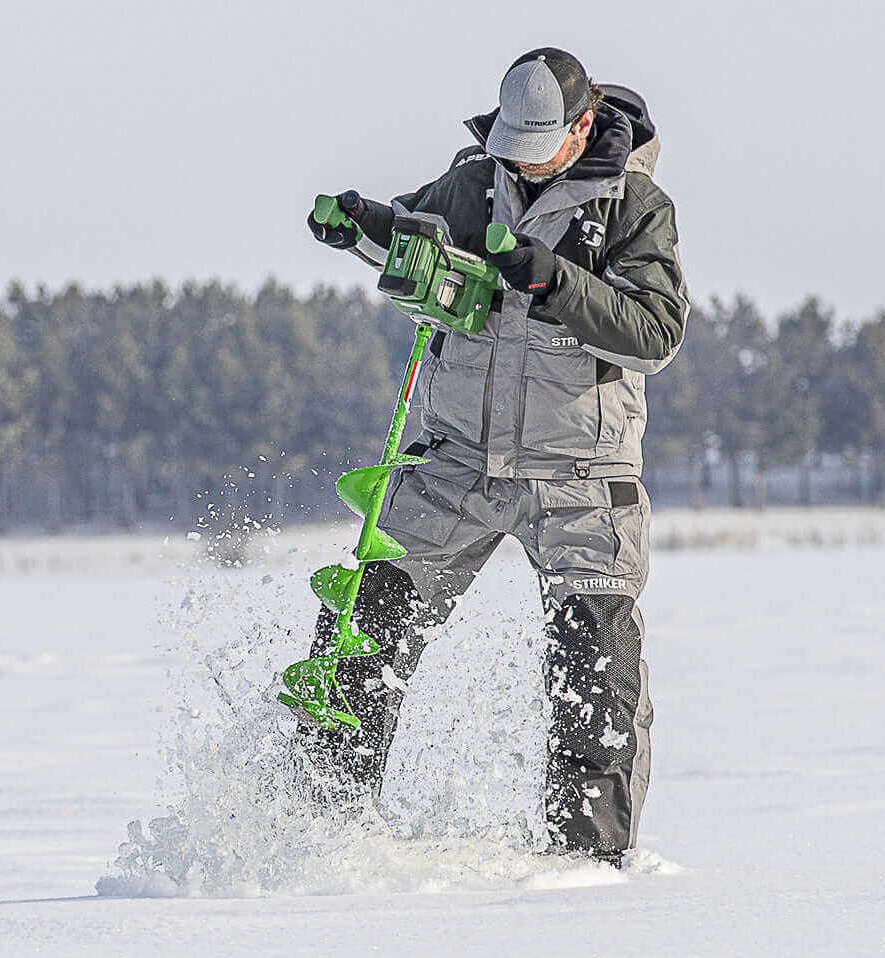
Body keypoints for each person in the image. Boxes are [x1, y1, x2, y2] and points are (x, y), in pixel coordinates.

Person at [304, 47, 689, 866]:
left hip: (582, 481)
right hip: (453, 464)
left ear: (582, 127)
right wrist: (358, 224)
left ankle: (583, 869)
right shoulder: (475, 181)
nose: (518, 157)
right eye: (510, 139)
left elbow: (656, 336)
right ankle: (314, 837)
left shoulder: (634, 208)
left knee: (595, 674)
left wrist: (557, 281)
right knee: (357, 634)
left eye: (537, 141)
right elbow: (411, 239)